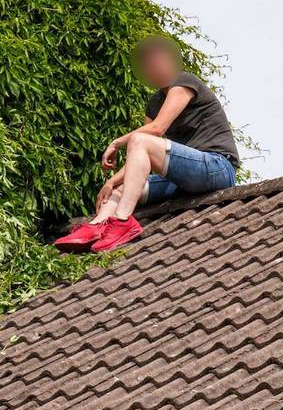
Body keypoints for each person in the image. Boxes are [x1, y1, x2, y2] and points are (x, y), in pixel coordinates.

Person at [54, 35, 241, 253]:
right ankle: (96, 226)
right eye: (150, 66)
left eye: (161, 62)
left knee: (140, 139)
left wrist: (117, 143)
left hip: (217, 168)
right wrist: (111, 182)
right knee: (122, 188)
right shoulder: (154, 103)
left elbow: (156, 129)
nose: (156, 69)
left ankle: (122, 221)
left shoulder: (185, 81)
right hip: (184, 179)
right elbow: (140, 154)